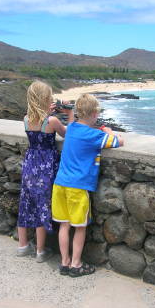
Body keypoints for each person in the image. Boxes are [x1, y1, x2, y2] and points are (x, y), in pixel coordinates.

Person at [52, 94, 124, 277]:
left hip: (60, 184)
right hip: (77, 187)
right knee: (80, 227)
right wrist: (108, 131)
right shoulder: (94, 135)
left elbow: (71, 124)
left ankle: (64, 262)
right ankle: (76, 265)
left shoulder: (73, 128)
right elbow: (118, 142)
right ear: (93, 114)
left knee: (64, 225)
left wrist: (70, 114)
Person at [17, 81, 74, 262]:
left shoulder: (26, 119)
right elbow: (68, 134)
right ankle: (40, 251)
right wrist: (70, 113)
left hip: (30, 164)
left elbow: (38, 125)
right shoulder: (52, 121)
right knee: (42, 205)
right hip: (46, 167)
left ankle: (23, 246)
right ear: (45, 99)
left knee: (26, 203)